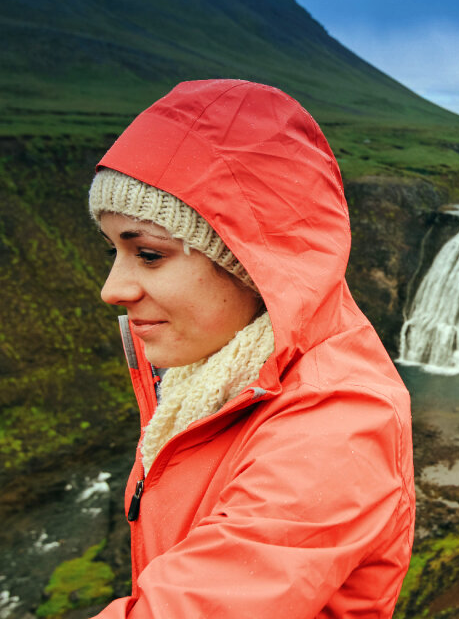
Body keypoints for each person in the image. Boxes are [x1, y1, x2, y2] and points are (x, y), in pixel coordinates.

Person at [87, 79, 415, 618]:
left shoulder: (337, 427)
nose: (111, 290)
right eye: (113, 250)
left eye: (148, 253)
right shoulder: (209, 373)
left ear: (251, 260)